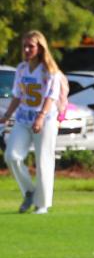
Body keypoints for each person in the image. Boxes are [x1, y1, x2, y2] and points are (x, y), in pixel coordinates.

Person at [4, 30, 68, 215]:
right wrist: (7, 115)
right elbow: (18, 95)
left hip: (45, 119)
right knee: (12, 156)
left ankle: (42, 204)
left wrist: (41, 117)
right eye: (24, 46)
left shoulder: (50, 71)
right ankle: (30, 191)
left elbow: (51, 96)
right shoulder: (22, 68)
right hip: (24, 118)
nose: (26, 49)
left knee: (43, 160)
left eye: (31, 46)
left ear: (40, 48)